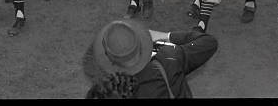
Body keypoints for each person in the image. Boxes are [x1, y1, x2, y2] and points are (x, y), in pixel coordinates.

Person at [86, 19, 218, 98]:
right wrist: (167, 36)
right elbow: (208, 42)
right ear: (140, 44)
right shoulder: (168, 59)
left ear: (108, 58)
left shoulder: (105, 91)